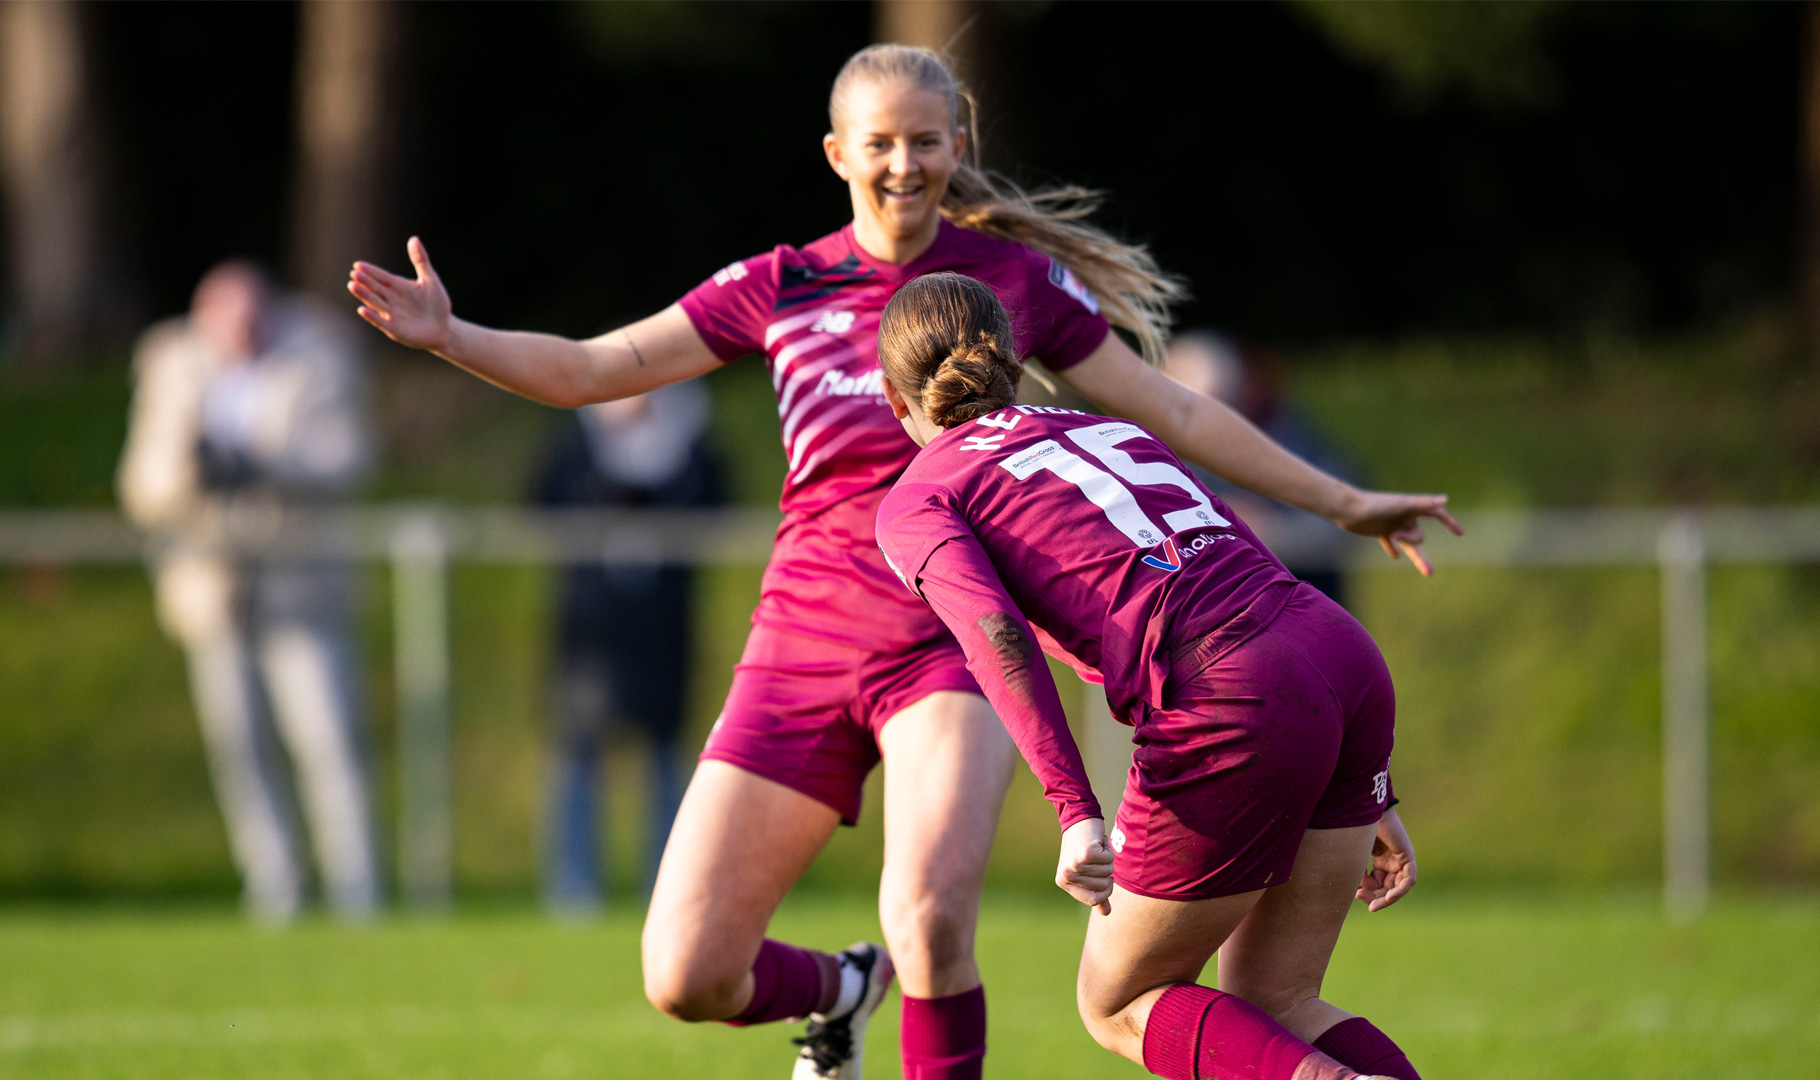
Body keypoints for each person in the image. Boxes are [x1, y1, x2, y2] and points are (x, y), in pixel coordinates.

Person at [347, 44, 1452, 1080]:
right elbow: (594, 368)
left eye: (925, 140)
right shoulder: (785, 285)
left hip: (955, 647)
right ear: (837, 154)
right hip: (803, 640)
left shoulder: (1009, 285)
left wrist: (1343, 500)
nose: (903, 163)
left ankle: (905, 988)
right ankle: (839, 992)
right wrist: (453, 337)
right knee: (685, 973)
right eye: (878, 142)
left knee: (926, 915)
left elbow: (1167, 407)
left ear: (957, 144)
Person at [872, 273, 1435, 1080]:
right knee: (1278, 1004)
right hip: (1331, 650)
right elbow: (1235, 548)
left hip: (1231, 692)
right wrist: (1362, 780)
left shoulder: (921, 494)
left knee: (1117, 1002)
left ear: (896, 400)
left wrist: (1074, 809)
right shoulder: (1097, 427)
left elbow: (996, 637)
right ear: (1016, 365)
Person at [117, 259, 381, 923]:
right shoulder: (171, 364)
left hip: (301, 586)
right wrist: (191, 468)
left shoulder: (317, 353)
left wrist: (265, 464)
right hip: (212, 588)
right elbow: (141, 486)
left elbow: (348, 455)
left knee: (327, 739)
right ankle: (274, 885)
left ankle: (357, 888)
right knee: (240, 746)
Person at [532, 380, 724, 914]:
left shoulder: (690, 445)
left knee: (665, 757)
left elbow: (714, 508)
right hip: (590, 630)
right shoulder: (576, 443)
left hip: (664, 630)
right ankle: (572, 891)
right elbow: (543, 504)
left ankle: (666, 886)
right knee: (577, 753)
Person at [1164, 331, 1366, 609]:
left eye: (1216, 402)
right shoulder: (1150, 456)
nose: (1197, 424)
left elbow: (1342, 528)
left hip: (1310, 609)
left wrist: (1271, 531)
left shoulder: (1292, 438)